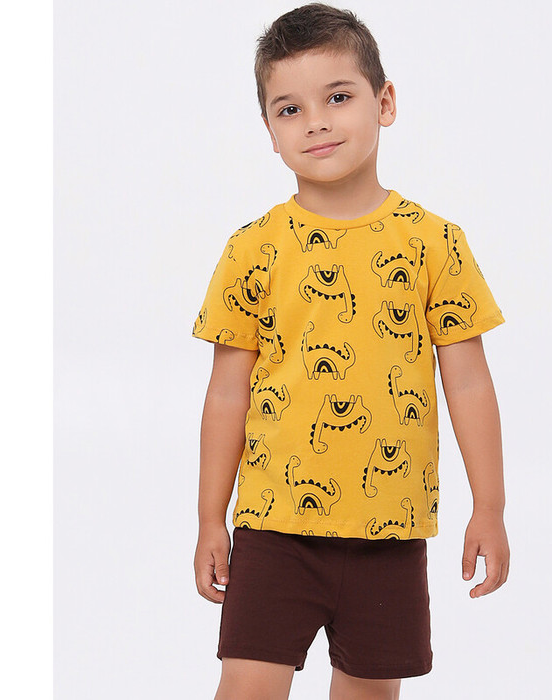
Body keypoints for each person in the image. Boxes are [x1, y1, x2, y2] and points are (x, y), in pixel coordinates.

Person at [191, 3, 510, 698]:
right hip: (274, 528)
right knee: (245, 688)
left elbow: (469, 383)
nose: (316, 122)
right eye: (290, 109)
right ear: (270, 132)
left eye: (338, 97)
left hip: (390, 534)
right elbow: (226, 393)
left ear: (384, 102)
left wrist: (490, 506)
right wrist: (210, 517)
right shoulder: (252, 249)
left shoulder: (435, 244)